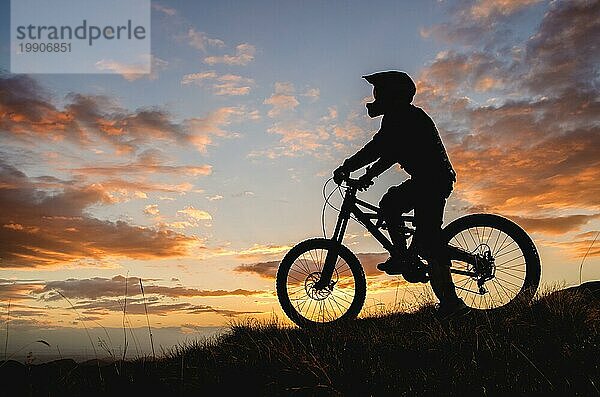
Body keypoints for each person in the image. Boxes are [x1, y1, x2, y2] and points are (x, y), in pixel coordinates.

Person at [333, 71, 468, 318]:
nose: (376, 97)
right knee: (394, 207)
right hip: (427, 181)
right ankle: (404, 256)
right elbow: (390, 151)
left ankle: (450, 302)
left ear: (392, 95)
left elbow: (380, 148)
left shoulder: (404, 116)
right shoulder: (401, 117)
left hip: (433, 182)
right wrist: (366, 176)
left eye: (379, 92)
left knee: (427, 238)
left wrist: (348, 167)